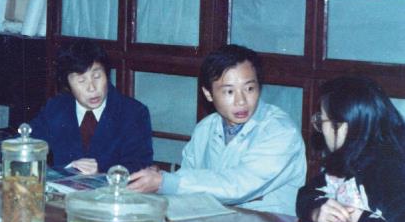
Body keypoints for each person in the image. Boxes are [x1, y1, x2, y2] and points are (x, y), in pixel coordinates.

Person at [129, 44, 306, 213]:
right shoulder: (205, 128)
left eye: (249, 88)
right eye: (229, 91)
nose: (241, 101)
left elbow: (238, 185)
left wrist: (166, 182)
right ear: (208, 93)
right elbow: (188, 181)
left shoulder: (280, 131)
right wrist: (158, 182)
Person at [296, 76, 405, 222]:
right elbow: (306, 194)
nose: (321, 129)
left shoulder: (389, 170)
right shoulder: (348, 162)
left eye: (322, 120)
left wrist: (362, 220)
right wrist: (317, 210)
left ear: (343, 126)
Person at [29, 39, 153, 174]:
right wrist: (66, 168)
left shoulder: (133, 113)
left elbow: (140, 165)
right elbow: (27, 144)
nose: (92, 88)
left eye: (97, 76)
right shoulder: (56, 108)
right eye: (81, 80)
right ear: (67, 85)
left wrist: (101, 171)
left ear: (107, 75)